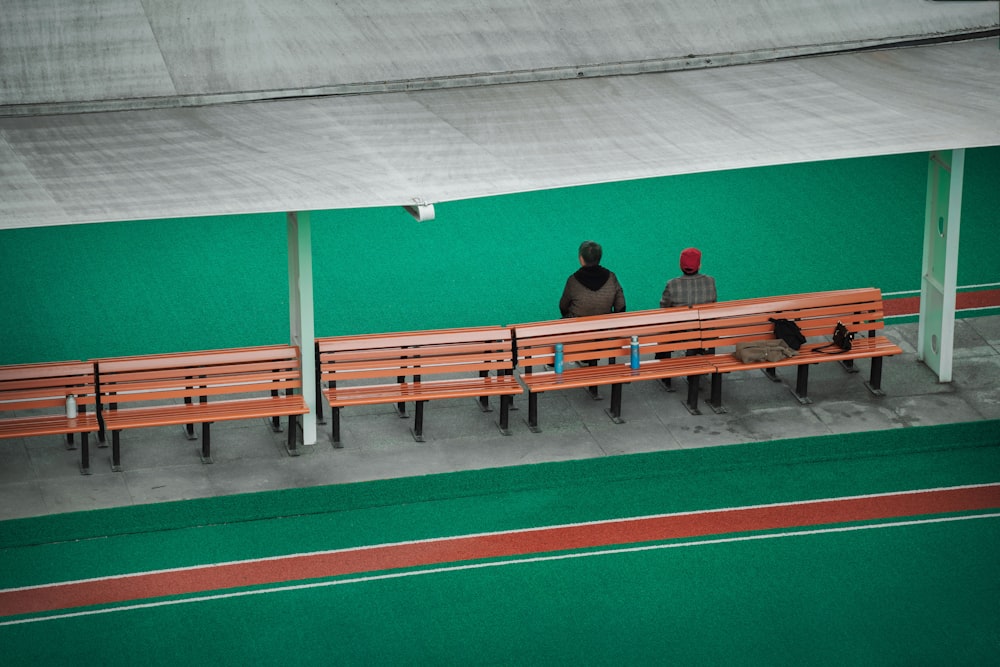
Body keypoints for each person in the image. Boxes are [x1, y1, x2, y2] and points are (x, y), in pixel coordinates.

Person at [658, 247, 717, 390]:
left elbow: (664, 308)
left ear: (681, 265)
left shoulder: (672, 284)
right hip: (704, 333)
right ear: (699, 265)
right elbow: (713, 303)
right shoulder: (710, 281)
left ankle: (666, 374)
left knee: (665, 330)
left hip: (680, 334)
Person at [559, 240, 626, 318]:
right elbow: (621, 306)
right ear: (599, 257)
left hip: (578, 325)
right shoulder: (611, 277)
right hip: (605, 325)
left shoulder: (572, 281)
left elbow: (563, 306)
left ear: (581, 258)